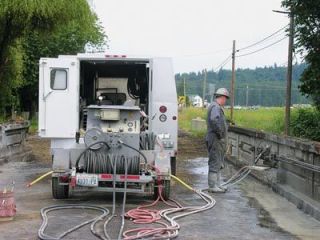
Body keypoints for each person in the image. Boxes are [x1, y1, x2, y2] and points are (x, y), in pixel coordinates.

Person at [205, 88, 229, 193]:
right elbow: (214, 120)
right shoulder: (215, 107)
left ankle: (217, 185)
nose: (225, 101)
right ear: (222, 97)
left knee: (219, 162)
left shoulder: (216, 106)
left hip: (216, 138)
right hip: (215, 138)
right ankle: (212, 186)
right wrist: (220, 133)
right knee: (215, 162)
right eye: (225, 98)